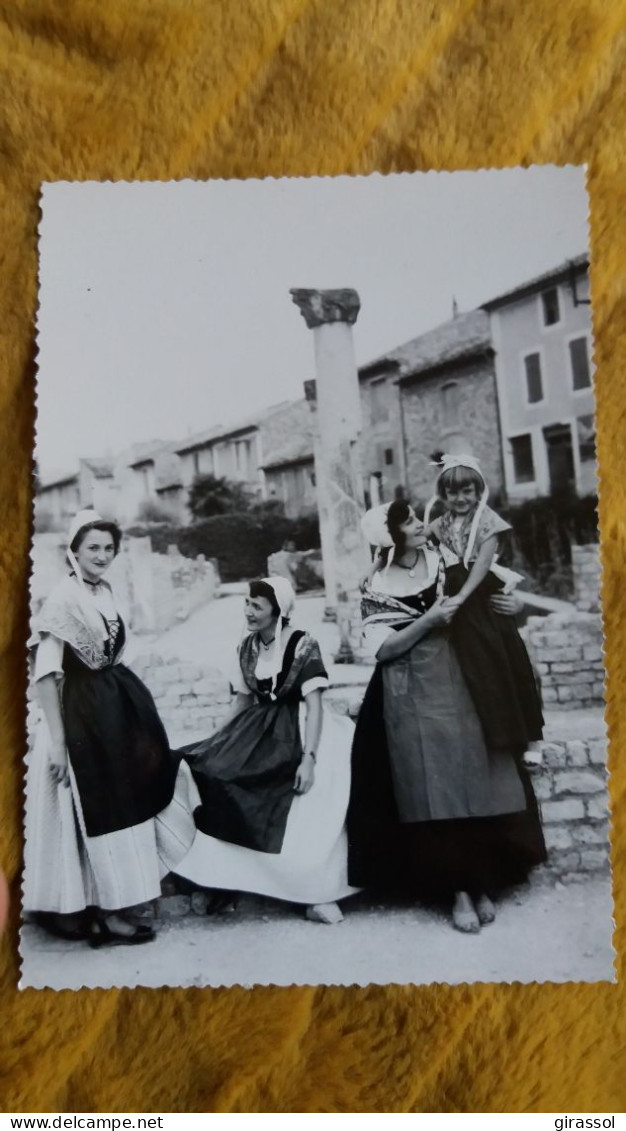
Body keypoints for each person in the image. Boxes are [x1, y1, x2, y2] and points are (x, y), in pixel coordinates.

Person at [348, 500, 546, 934]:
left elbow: (493, 586)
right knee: (431, 792)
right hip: (410, 690)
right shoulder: (378, 584)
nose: (421, 525)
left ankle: (482, 883)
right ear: (390, 536)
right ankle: (456, 890)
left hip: (465, 678)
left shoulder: (444, 556)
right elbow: (383, 649)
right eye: (410, 522)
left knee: (478, 778)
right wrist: (429, 620)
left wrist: (514, 606)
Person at [23, 509, 198, 947]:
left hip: (112, 714)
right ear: (74, 550)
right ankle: (99, 915)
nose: (102, 555)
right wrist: (60, 744)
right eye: (92, 548)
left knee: (127, 801)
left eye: (108, 548)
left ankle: (110, 908)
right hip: (78, 720)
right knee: (90, 815)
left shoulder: (105, 592)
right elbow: (46, 674)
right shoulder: (63, 598)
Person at [174, 577, 357, 923]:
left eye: (256, 606)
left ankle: (314, 894)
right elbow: (242, 700)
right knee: (212, 771)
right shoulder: (247, 647)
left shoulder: (303, 645)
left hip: (302, 727)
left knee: (312, 799)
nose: (248, 611)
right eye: (247, 603)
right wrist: (214, 740)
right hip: (260, 727)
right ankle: (223, 880)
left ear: (278, 611)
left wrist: (309, 759)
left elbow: (315, 705)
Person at [423, 452, 544, 757]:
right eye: (453, 492)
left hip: (482, 598)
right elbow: (407, 547)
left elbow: (482, 565)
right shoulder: (438, 525)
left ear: (478, 491)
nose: (461, 498)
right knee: (475, 669)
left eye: (468, 491)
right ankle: (494, 738)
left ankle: (531, 738)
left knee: (507, 661)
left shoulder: (488, 520)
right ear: (443, 494)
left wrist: (462, 597)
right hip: (455, 602)